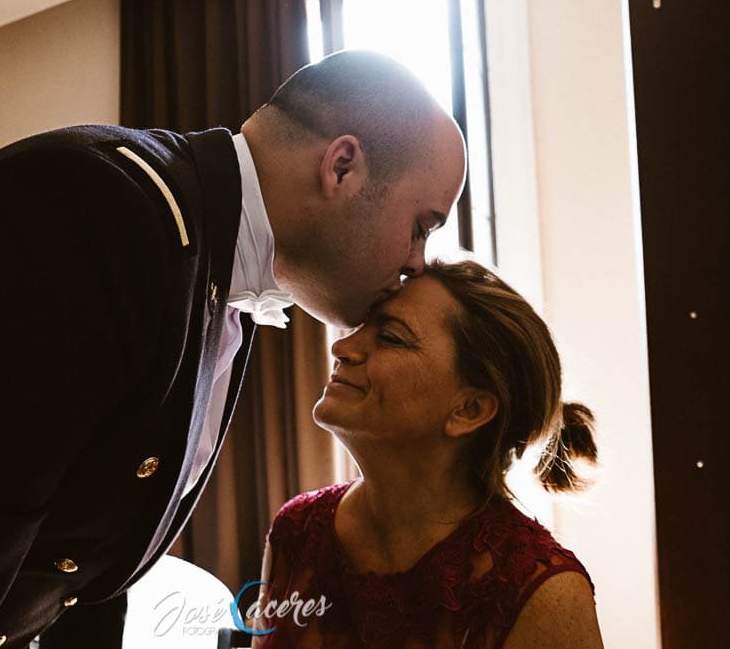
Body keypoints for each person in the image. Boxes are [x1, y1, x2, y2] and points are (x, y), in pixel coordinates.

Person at [0, 50, 466, 648]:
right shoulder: (103, 212)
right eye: (422, 225)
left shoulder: (217, 278)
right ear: (341, 168)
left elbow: (84, 570)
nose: (418, 263)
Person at [253, 260, 604, 648]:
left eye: (390, 337)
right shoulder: (297, 531)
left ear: (468, 410)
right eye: (362, 327)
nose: (342, 346)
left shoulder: (542, 594)